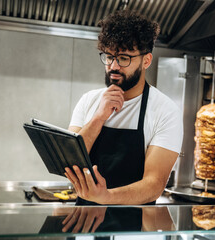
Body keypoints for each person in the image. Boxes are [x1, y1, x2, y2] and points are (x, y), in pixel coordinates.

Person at [64, 10, 183, 205]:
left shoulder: (166, 112)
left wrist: (107, 197)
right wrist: (98, 118)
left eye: (124, 58)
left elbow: (154, 184)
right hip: (86, 223)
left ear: (146, 60)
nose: (114, 66)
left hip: (134, 227)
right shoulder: (89, 101)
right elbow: (68, 163)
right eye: (109, 56)